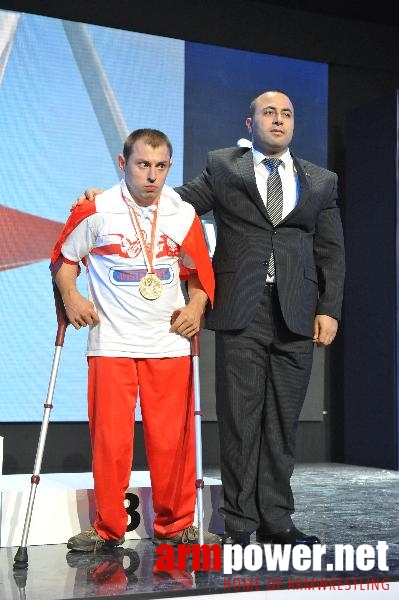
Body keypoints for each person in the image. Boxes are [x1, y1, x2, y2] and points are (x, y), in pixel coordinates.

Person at [77, 90, 346, 547]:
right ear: (250, 123)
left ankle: (277, 520)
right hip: (242, 309)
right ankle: (239, 525)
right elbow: (172, 203)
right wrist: (114, 196)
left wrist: (329, 308)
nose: (278, 120)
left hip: (298, 314)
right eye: (269, 113)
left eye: (286, 114)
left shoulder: (320, 181)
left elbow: (331, 250)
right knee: (240, 420)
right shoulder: (225, 168)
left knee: (282, 422)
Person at [51, 128, 221, 552]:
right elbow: (64, 260)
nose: (152, 175)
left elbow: (199, 273)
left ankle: (177, 524)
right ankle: (108, 527)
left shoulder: (183, 214)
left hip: (168, 344)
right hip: (111, 344)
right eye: (143, 164)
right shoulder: (96, 210)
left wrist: (197, 307)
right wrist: (72, 295)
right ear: (122, 163)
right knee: (110, 442)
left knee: (171, 443)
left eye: (161, 166)